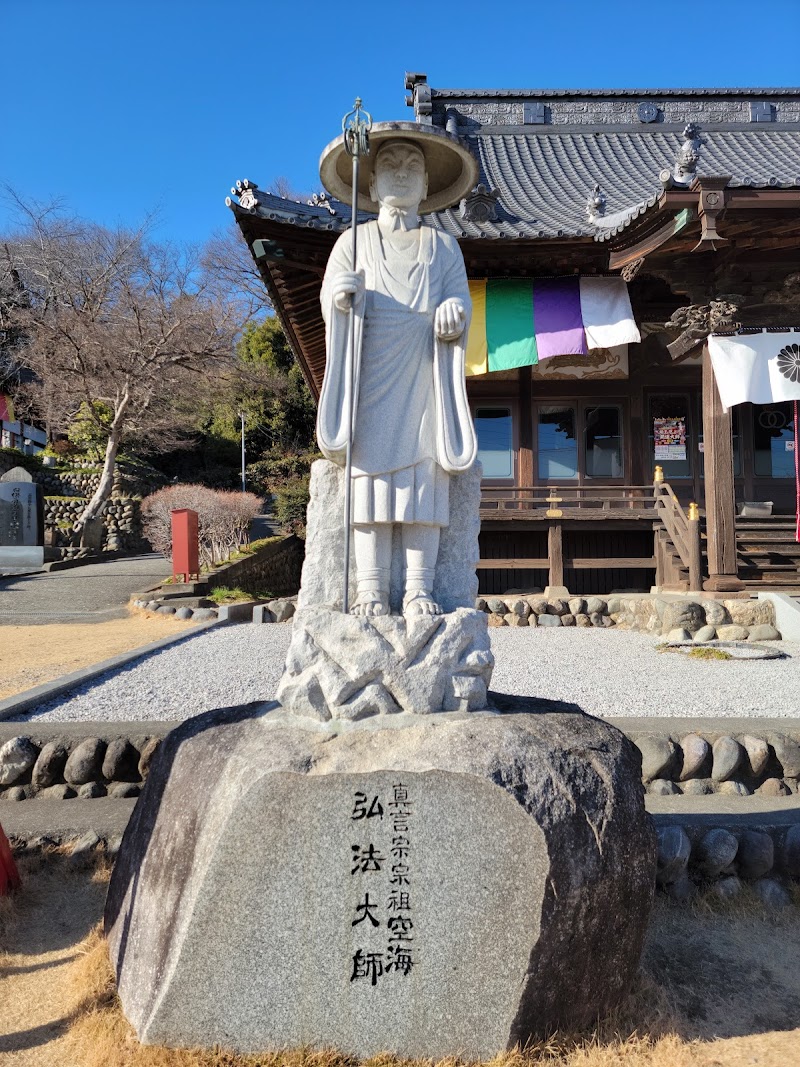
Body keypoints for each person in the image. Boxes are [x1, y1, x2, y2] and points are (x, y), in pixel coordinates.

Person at [317, 133, 477, 617]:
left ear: (428, 181)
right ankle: (369, 588)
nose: (403, 172)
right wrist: (340, 301)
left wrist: (453, 312)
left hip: (426, 371)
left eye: (413, 165)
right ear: (371, 178)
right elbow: (331, 302)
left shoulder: (443, 246)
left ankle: (418, 588)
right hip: (370, 372)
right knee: (367, 481)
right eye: (390, 163)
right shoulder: (353, 241)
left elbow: (460, 302)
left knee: (423, 483)